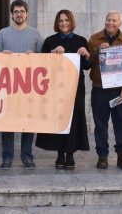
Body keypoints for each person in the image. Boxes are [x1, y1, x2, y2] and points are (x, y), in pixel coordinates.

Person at [35, 9, 91, 170]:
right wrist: (52, 54)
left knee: (73, 121)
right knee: (58, 119)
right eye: (61, 21)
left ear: (71, 22)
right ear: (57, 23)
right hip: (55, 89)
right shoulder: (50, 41)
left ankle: (70, 155)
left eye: (67, 20)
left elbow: (87, 66)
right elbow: (42, 65)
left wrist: (86, 54)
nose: (64, 23)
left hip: (75, 88)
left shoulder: (81, 40)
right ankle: (60, 154)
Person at [0, 0, 43, 169]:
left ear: (27, 13)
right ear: (11, 14)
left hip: (29, 86)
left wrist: (34, 56)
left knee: (27, 123)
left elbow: (43, 61)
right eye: (15, 11)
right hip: (8, 86)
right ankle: (7, 157)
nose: (19, 14)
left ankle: (27, 156)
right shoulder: (3, 33)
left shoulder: (36, 34)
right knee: (7, 123)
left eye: (22, 11)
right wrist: (3, 55)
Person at [88, 10, 122, 171]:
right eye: (108, 20)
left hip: (119, 89)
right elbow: (89, 63)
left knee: (119, 123)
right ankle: (102, 156)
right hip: (100, 88)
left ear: (120, 23)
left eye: (114, 20)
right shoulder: (95, 38)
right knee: (100, 124)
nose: (111, 23)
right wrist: (98, 51)